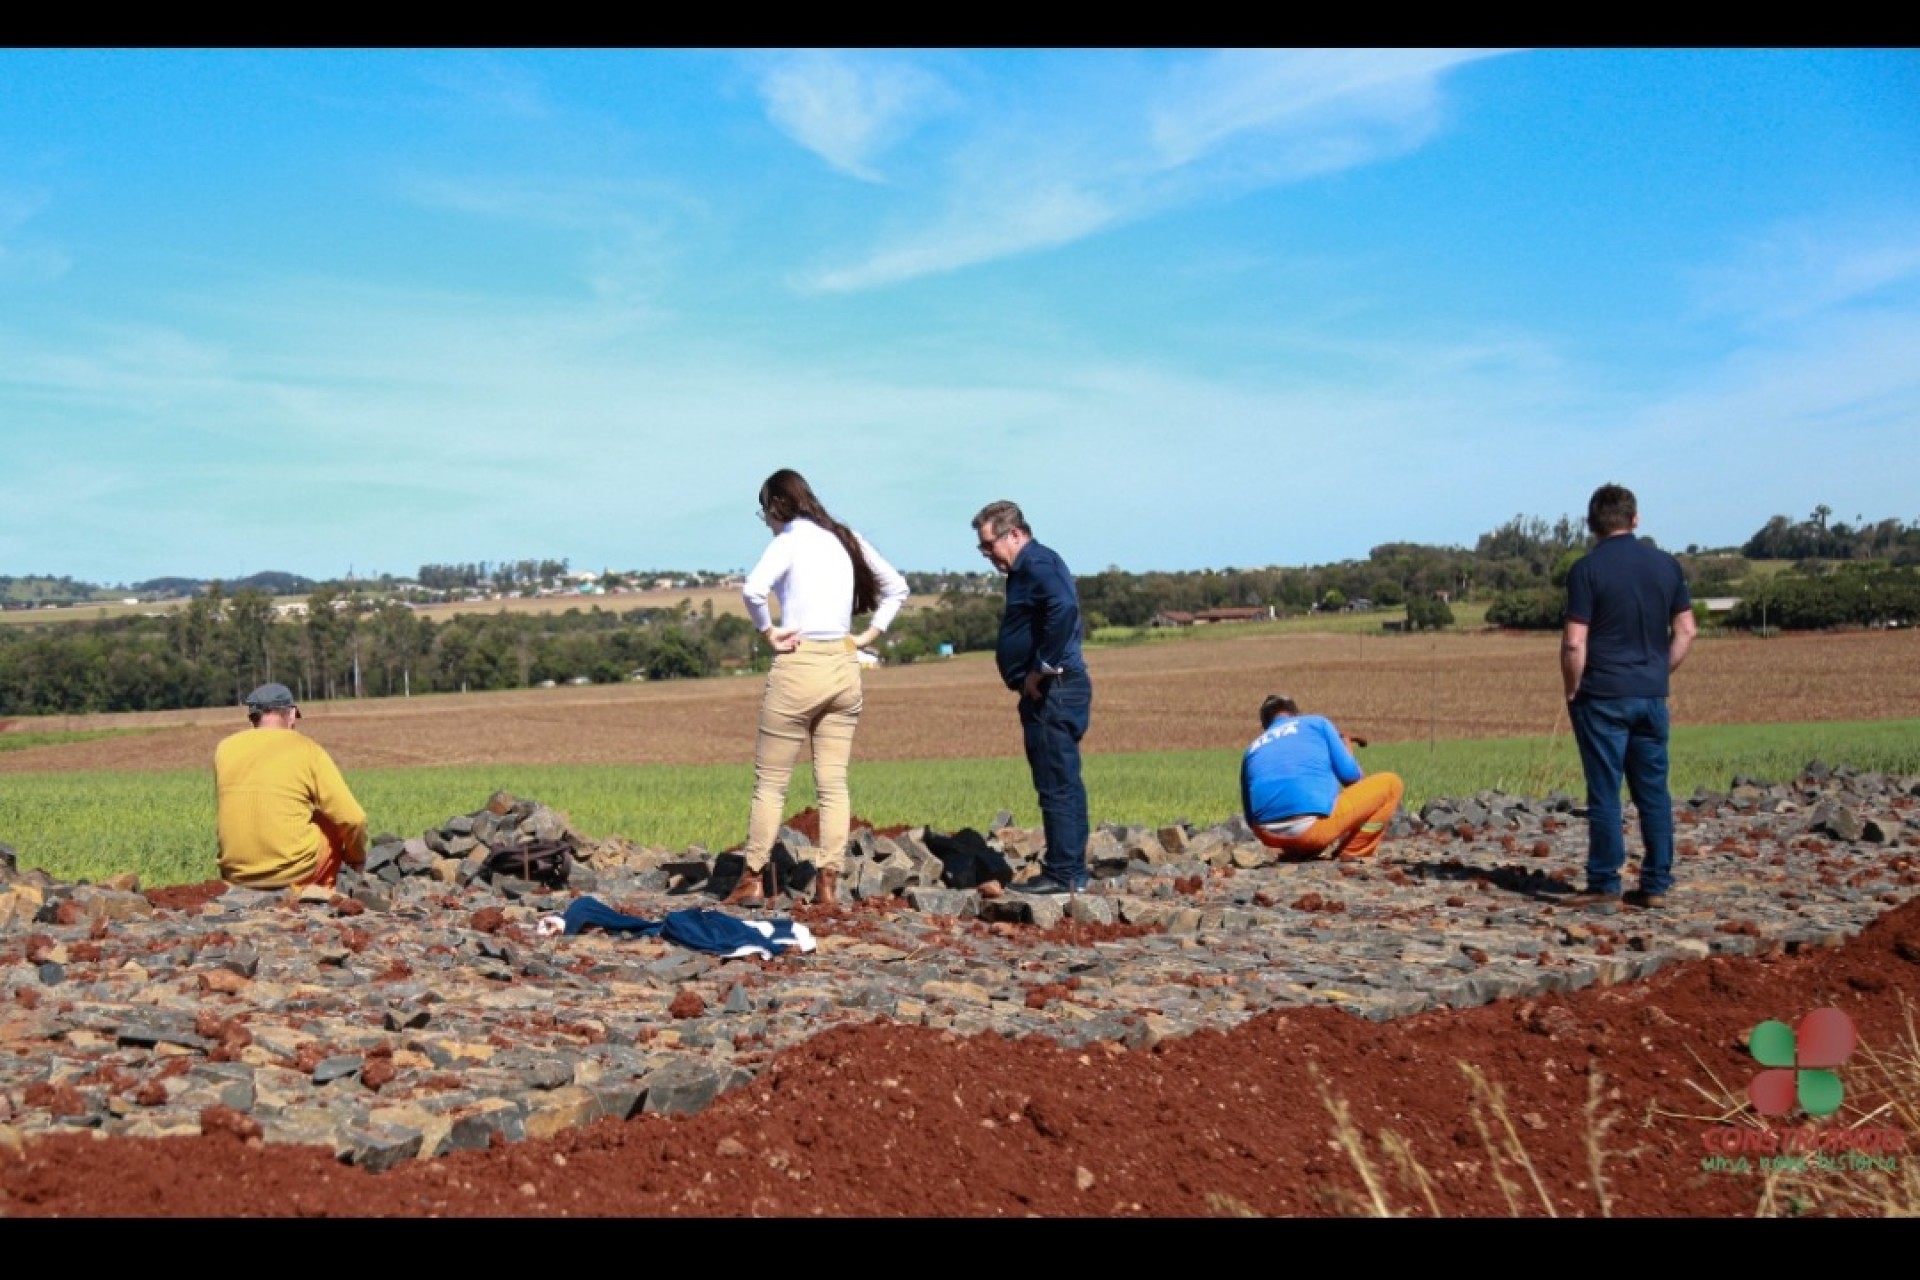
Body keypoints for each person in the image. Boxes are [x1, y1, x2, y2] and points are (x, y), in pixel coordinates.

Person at [724, 469, 909, 909]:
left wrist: (767, 631)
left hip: (800, 664)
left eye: (763, 511)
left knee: (770, 784)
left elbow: (753, 590)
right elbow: (897, 588)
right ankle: (828, 882)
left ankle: (752, 878)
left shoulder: (788, 540)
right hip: (844, 666)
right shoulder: (847, 539)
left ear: (774, 506)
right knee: (833, 783)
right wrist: (868, 636)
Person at [1559, 483, 1697, 910]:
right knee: (1653, 791)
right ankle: (1656, 882)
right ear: (1635, 519)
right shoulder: (1666, 566)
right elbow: (1687, 630)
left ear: (1592, 525)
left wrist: (1572, 686)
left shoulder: (1586, 570)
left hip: (1601, 693)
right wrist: (1660, 670)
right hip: (1651, 694)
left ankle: (1604, 882)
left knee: (1605, 791)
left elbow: (1574, 642)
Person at [973, 500, 1092, 896]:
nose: (987, 554)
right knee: (1062, 781)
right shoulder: (1030, 568)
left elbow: (1065, 606)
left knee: (1056, 783)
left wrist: (1042, 665)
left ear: (1015, 534)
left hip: (1053, 691)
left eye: (989, 545)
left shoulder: (1038, 564)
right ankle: (1069, 869)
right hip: (1053, 689)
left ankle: (1064, 874)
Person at [214, 682, 368, 890]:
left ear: (252, 718)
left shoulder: (224, 749)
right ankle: (319, 896)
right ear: (292, 714)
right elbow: (353, 818)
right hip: (292, 874)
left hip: (236, 875)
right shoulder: (307, 749)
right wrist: (356, 858)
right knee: (329, 822)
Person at [1241, 694, 1403, 859]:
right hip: (1311, 830)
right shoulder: (1317, 723)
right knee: (1392, 784)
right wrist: (1346, 749)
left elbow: (1249, 817)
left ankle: (1298, 850)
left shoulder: (1251, 749)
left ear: (1265, 724)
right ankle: (1354, 852)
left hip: (1269, 836)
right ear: (1296, 714)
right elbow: (1352, 778)